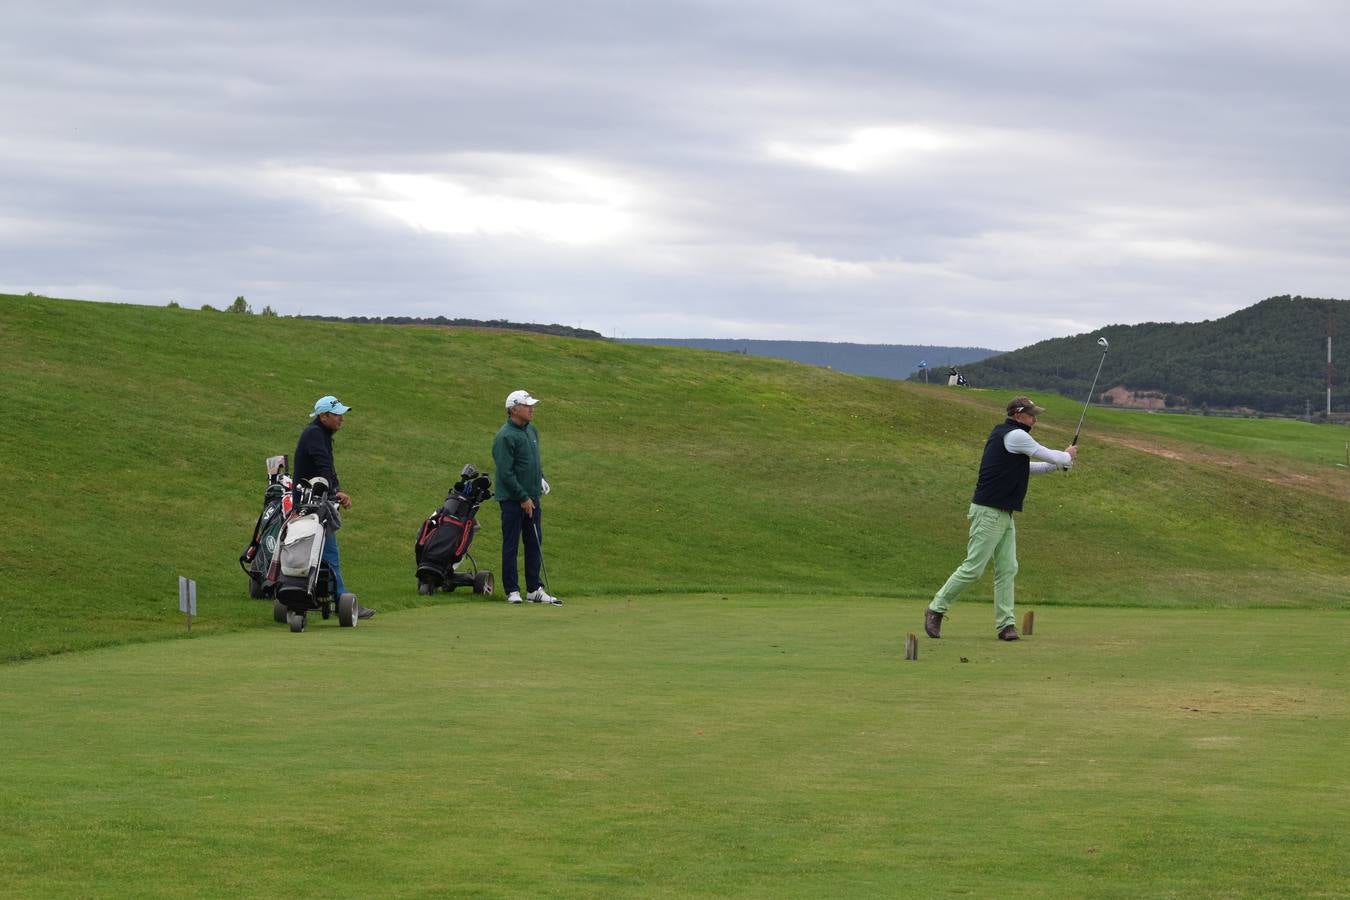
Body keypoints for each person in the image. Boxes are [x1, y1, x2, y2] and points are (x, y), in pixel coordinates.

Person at [924, 396, 1076, 641]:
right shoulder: (1015, 436)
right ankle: (936, 608)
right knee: (973, 568)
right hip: (988, 510)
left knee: (1007, 569)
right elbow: (1050, 455)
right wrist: (1066, 457)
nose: (1035, 419)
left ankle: (1006, 625)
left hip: (1003, 513)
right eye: (1030, 415)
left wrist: (1056, 465)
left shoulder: (1011, 438)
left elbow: (1025, 468)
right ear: (1017, 415)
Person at [293, 395, 375, 619]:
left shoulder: (320, 434)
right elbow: (323, 466)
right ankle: (341, 600)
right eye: (337, 415)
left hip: (312, 501)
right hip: (311, 504)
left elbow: (328, 468)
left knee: (322, 551)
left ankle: (332, 596)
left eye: (342, 414)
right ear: (323, 416)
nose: (341, 419)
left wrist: (334, 490)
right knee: (329, 551)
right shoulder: (315, 435)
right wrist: (334, 493)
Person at [492, 389, 561, 606]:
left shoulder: (532, 431)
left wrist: (540, 478)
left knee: (534, 542)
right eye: (527, 405)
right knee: (511, 544)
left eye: (532, 405)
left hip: (532, 498)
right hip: (513, 500)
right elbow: (505, 472)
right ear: (514, 409)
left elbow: (532, 461)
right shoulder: (505, 436)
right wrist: (523, 497)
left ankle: (534, 589)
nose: (532, 409)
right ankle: (512, 590)